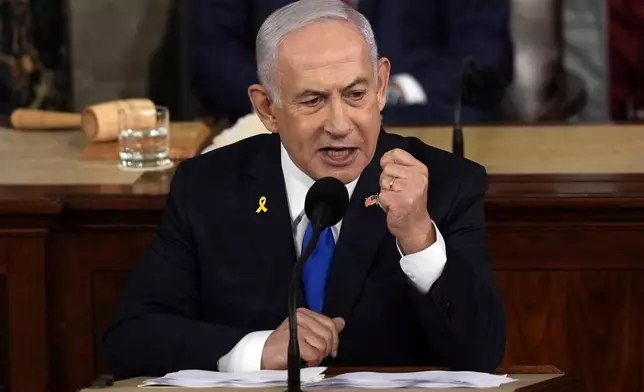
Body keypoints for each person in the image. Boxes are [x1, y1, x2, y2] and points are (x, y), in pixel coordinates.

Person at [103, 0, 506, 377]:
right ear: (266, 108)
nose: (340, 124)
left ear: (381, 86)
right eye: (313, 100)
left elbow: (480, 356)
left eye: (356, 95)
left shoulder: (446, 184)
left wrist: (419, 238)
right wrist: (257, 350)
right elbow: (131, 339)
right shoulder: (208, 188)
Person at [189, 0, 513, 125]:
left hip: (421, 124)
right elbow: (212, 51)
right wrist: (291, 103)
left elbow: (483, 54)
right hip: (283, 135)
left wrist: (391, 93)